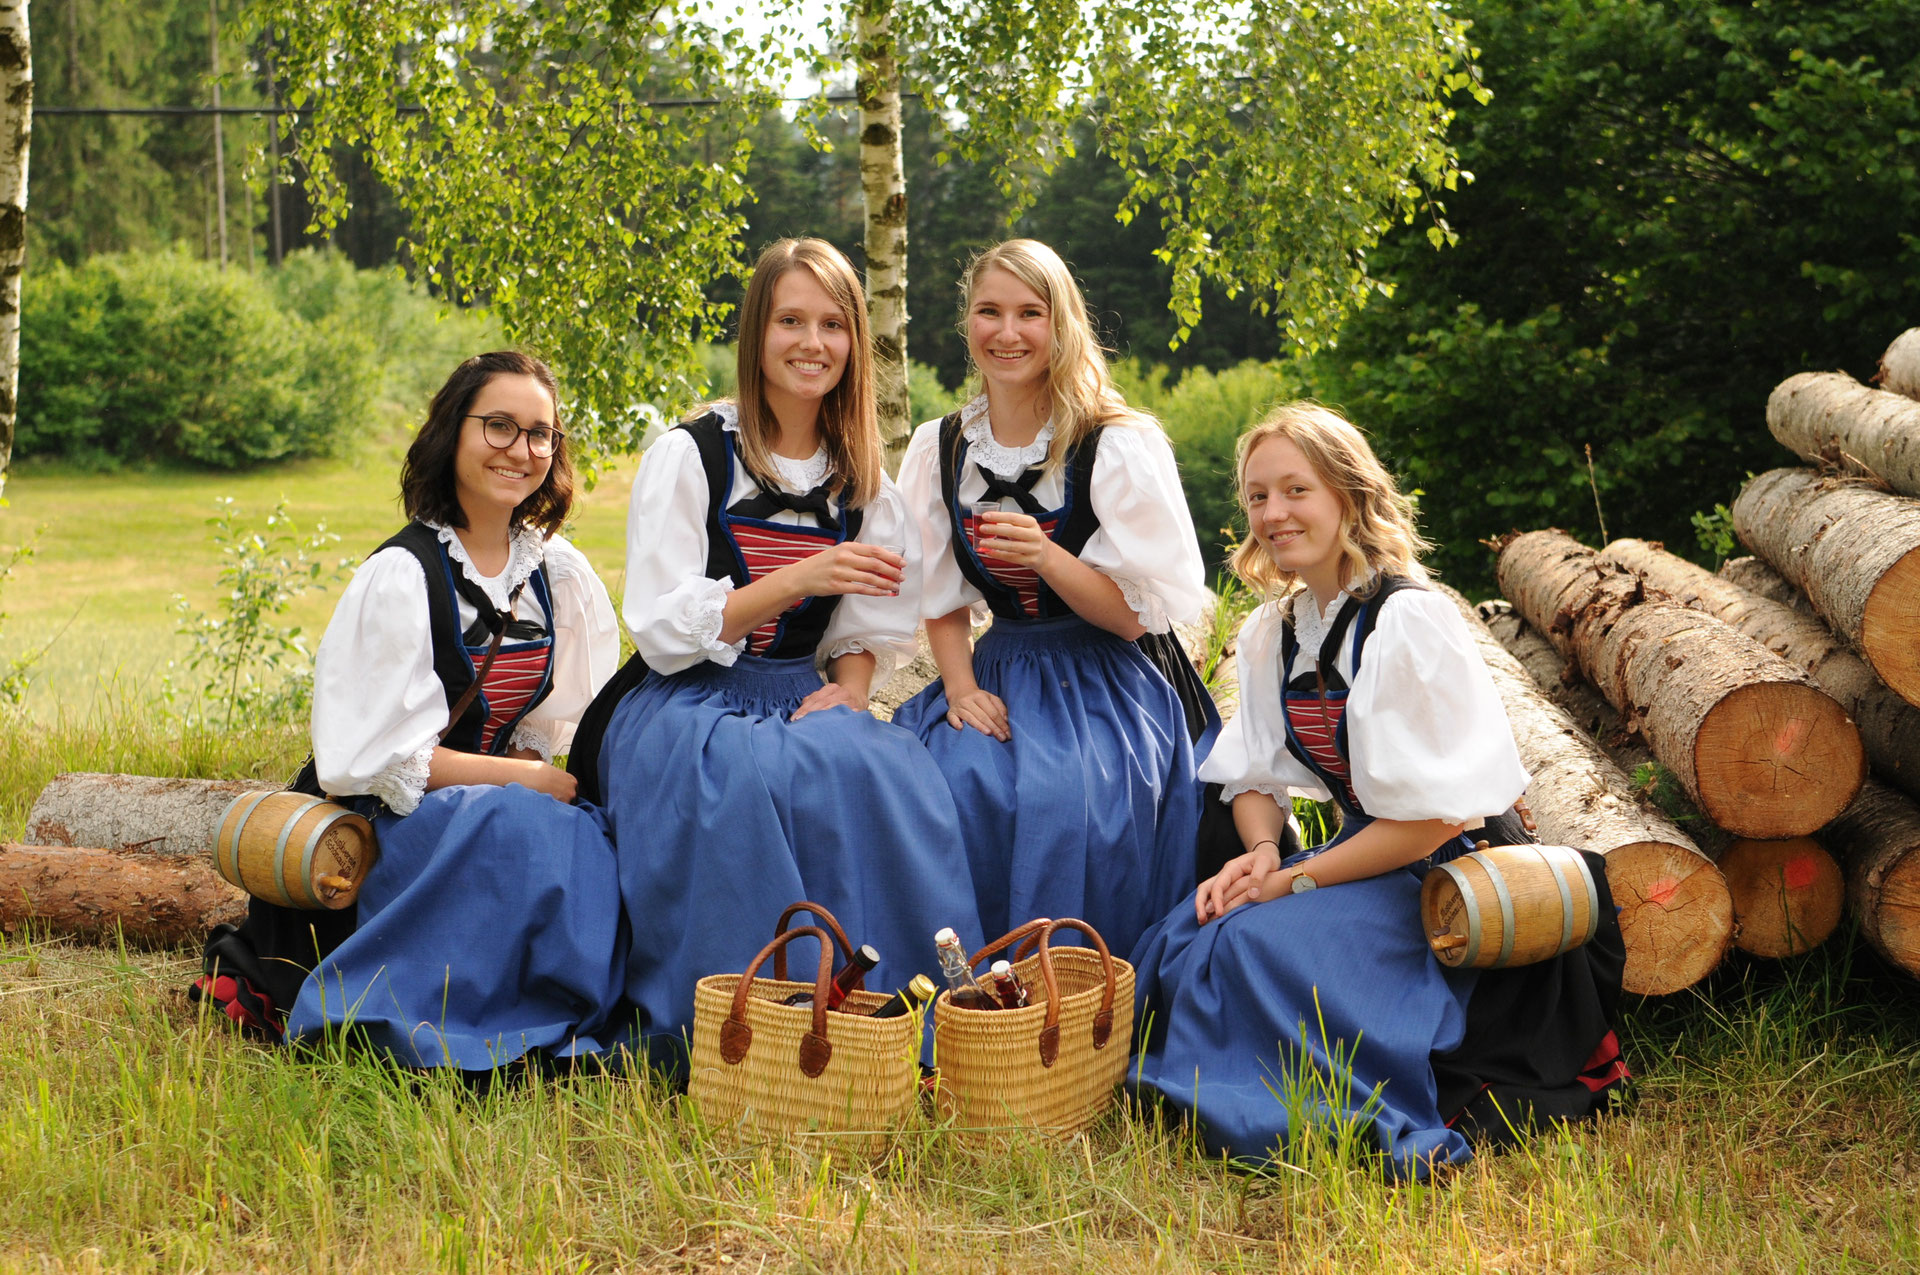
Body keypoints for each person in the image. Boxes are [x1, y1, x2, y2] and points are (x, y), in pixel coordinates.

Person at [1128, 402, 1627, 1178]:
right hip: (1364, 855)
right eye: (1258, 496)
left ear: (1348, 493)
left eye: (1296, 489)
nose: (1273, 513)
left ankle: (1293, 1095)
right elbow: (1252, 772)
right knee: (1189, 935)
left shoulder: (1407, 620)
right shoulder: (1277, 630)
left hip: (1451, 872)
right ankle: (1236, 1081)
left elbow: (1431, 819)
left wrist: (1294, 880)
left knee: (1253, 944)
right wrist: (1261, 853)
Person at [584, 238, 983, 1070]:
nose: (813, 342)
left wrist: (852, 686)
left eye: (834, 324)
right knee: (735, 783)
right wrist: (798, 573)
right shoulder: (692, 455)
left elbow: (866, 624)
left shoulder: (861, 478)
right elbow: (660, 629)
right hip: (686, 699)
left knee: (885, 768)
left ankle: (903, 1019)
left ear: (855, 344)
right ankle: (748, 1031)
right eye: (790, 320)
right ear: (756, 333)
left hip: (798, 691)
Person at [193, 351, 627, 1074]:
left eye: (540, 434)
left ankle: (547, 1011)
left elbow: (562, 721)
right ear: (453, 433)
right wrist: (520, 780)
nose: (522, 450)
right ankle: (441, 1017)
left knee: (575, 832)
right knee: (520, 818)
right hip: (393, 812)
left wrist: (529, 769)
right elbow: (383, 759)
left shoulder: (558, 573)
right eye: (499, 426)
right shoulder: (401, 575)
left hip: (489, 794)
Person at [891, 239, 1215, 958]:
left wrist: (1047, 557)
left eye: (1029, 313)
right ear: (967, 322)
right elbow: (937, 595)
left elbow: (1136, 616)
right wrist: (960, 687)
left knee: (1067, 796)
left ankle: (1075, 990)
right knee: (939, 776)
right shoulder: (940, 447)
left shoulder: (1114, 442)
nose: (1007, 333)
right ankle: (964, 989)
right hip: (999, 666)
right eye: (989, 312)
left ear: (1061, 322)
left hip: (1107, 674)